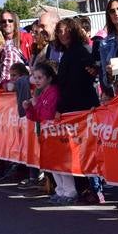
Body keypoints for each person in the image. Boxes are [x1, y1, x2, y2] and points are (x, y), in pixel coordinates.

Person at [26, 61, 77, 204]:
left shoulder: (54, 92)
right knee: (53, 163)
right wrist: (29, 108)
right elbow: (35, 117)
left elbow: (48, 114)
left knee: (61, 163)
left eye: (40, 77)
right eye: (35, 78)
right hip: (47, 134)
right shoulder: (42, 93)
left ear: (49, 78)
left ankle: (70, 192)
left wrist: (36, 105)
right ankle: (60, 190)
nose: (36, 81)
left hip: (56, 133)